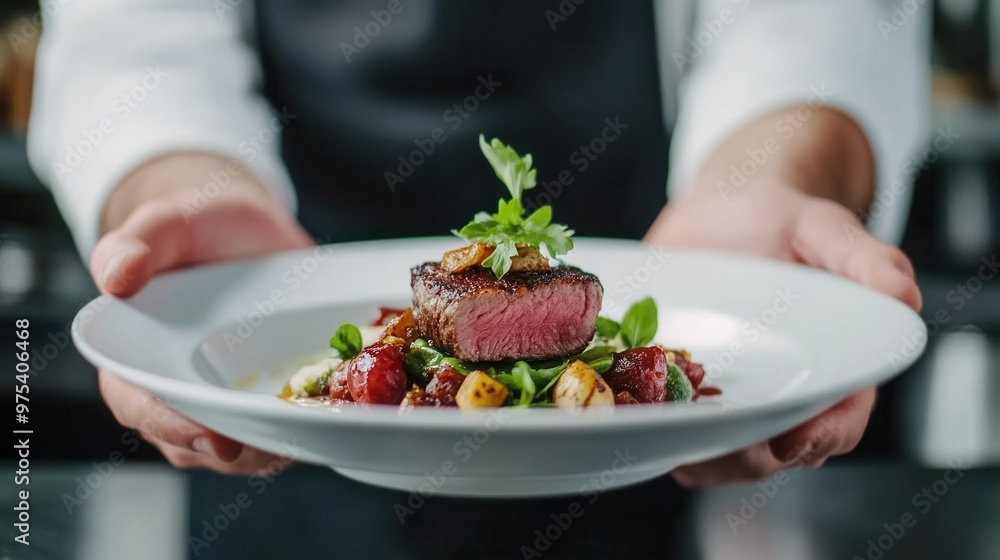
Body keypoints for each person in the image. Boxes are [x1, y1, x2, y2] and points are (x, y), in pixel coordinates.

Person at [28, 0, 927, 487]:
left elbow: (818, 19)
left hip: (654, 476)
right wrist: (181, 187)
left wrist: (769, 175)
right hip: (288, 469)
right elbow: (134, 35)